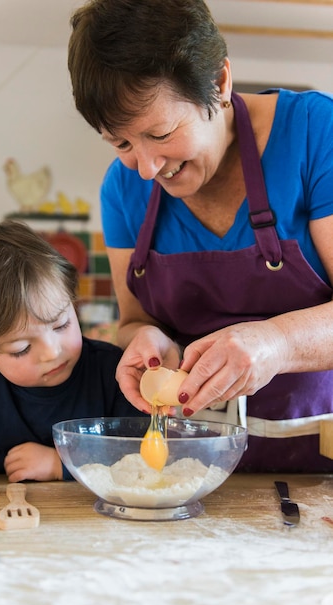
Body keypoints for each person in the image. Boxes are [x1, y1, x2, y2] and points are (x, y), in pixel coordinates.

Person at [68, 0, 333, 471]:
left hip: (321, 460)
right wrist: (148, 340)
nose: (147, 169)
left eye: (161, 133)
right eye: (122, 143)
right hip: (191, 465)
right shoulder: (122, 187)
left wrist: (275, 343)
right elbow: (133, 319)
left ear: (220, 83)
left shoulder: (317, 134)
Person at [0, 220, 143, 501]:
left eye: (61, 325)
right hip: (4, 523)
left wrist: (62, 464)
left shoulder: (114, 371)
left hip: (102, 522)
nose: (52, 352)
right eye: (21, 348)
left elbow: (142, 449)